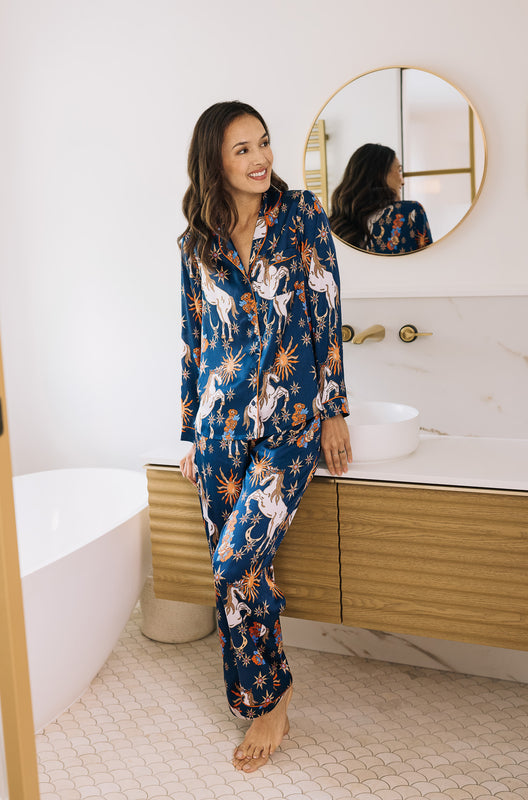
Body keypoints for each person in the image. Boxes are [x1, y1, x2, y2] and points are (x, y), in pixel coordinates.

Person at [178, 101, 351, 773]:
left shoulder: (302, 214)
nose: (260, 158)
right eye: (242, 149)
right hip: (219, 429)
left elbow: (326, 310)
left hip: (289, 425)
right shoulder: (197, 241)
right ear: (214, 163)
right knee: (239, 571)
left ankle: (271, 701)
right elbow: (194, 340)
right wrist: (190, 430)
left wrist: (333, 408)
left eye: (264, 143)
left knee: (235, 563)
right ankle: (257, 697)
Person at [329, 143, 433, 254]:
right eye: (398, 170)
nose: (402, 182)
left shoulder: (335, 228)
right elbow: (430, 265)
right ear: (380, 174)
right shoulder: (411, 212)